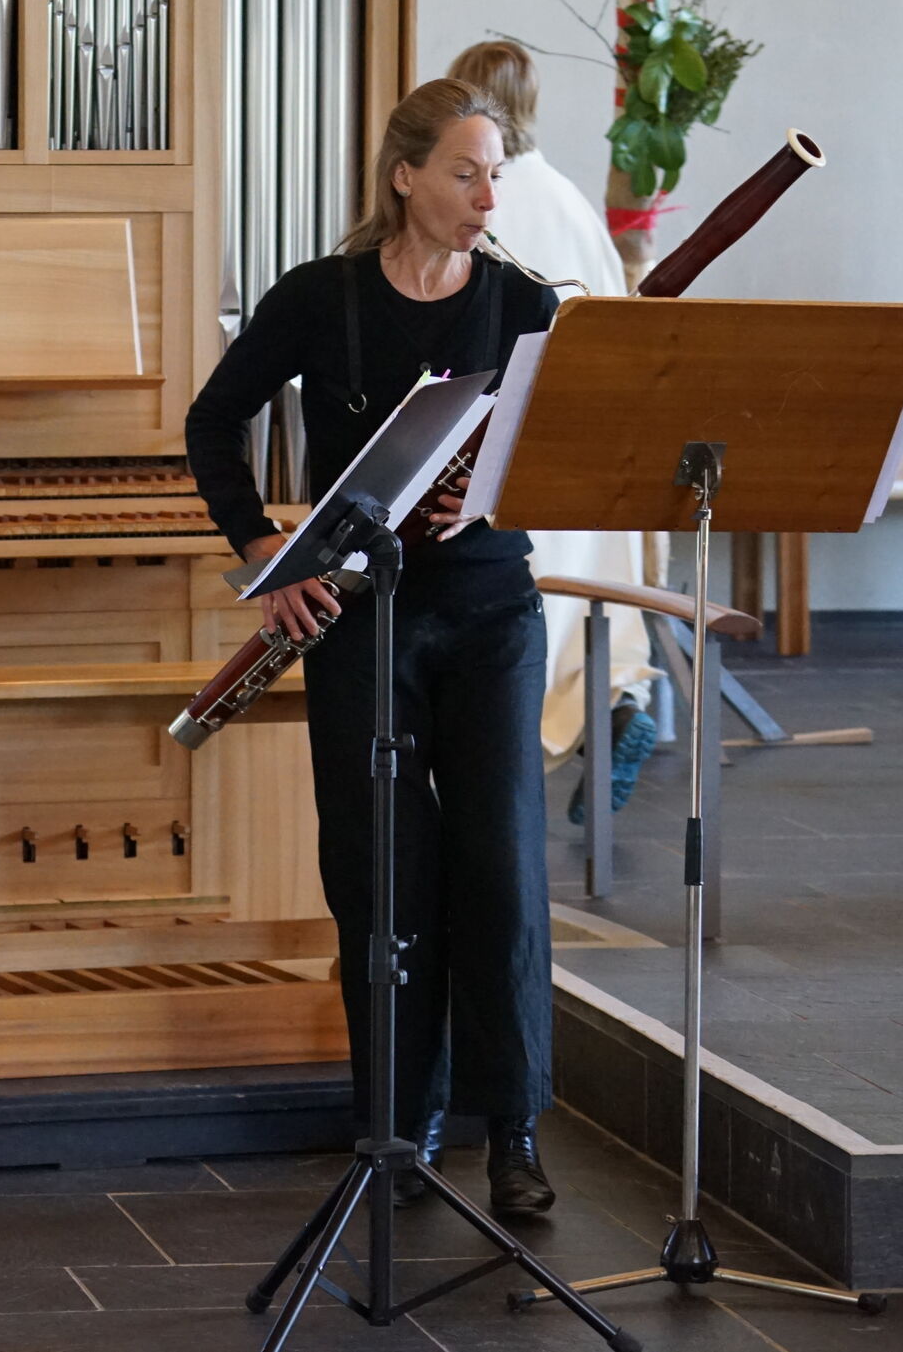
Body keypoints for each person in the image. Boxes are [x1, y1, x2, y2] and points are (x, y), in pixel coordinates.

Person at [186, 79, 560, 1217]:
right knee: (379, 867)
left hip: (491, 611)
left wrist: (492, 492)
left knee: (501, 862)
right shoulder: (322, 296)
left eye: (495, 175)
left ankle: (513, 1130)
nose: (486, 196)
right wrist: (266, 549)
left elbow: (556, 450)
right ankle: (398, 1120)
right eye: (464, 173)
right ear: (405, 177)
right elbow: (213, 420)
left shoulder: (526, 303)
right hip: (362, 613)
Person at [446, 40, 663, 824]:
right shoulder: (571, 202)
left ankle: (500, 794)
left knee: (512, 635)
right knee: (580, 619)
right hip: (589, 454)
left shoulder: (477, 203)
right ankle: (613, 711)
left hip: (504, 455)